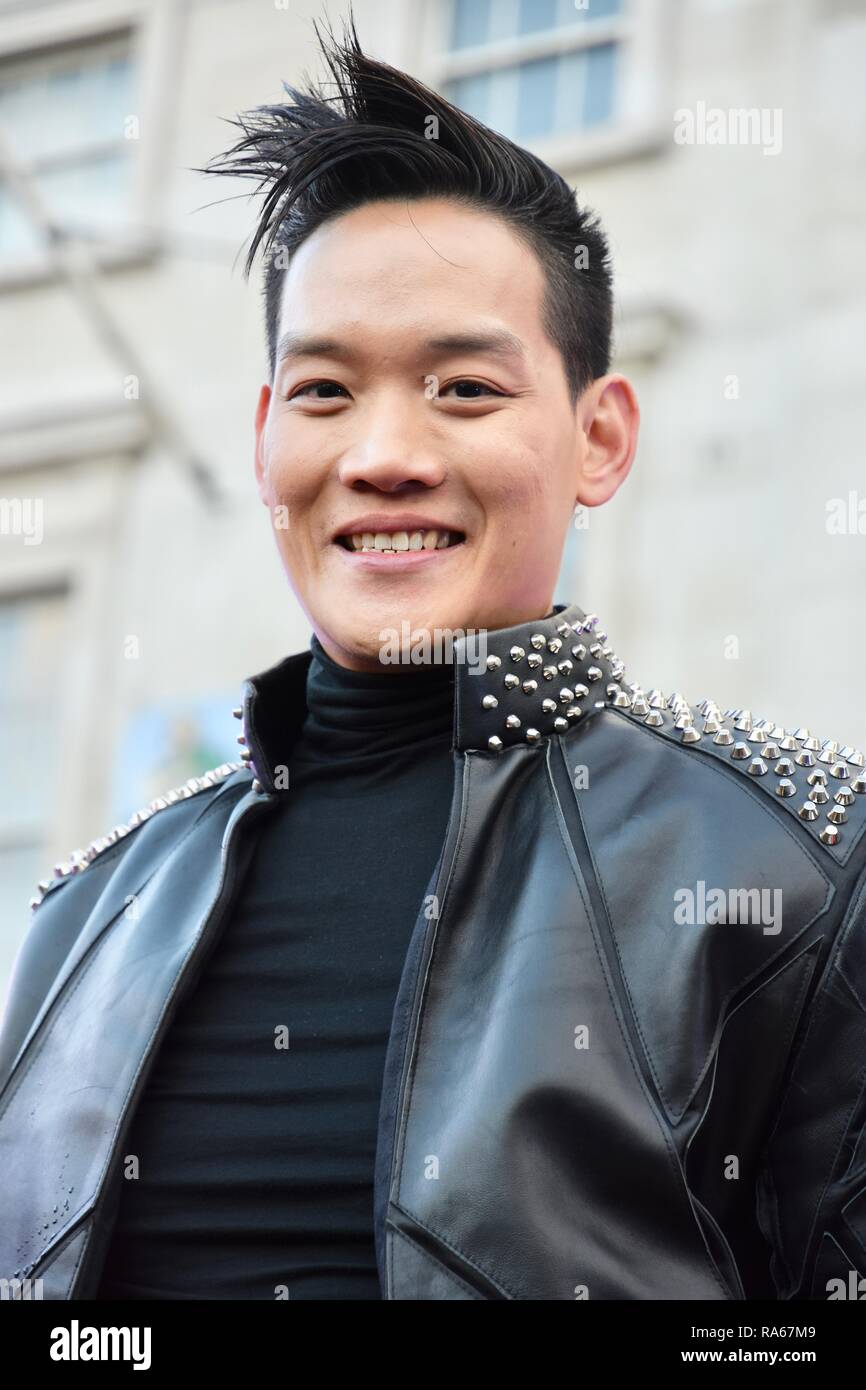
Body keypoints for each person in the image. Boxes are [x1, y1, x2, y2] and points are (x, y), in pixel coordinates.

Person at [1, 14, 864, 1302]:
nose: (383, 454)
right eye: (325, 391)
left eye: (464, 389)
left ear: (599, 439)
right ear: (262, 443)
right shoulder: (87, 920)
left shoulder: (801, 867)